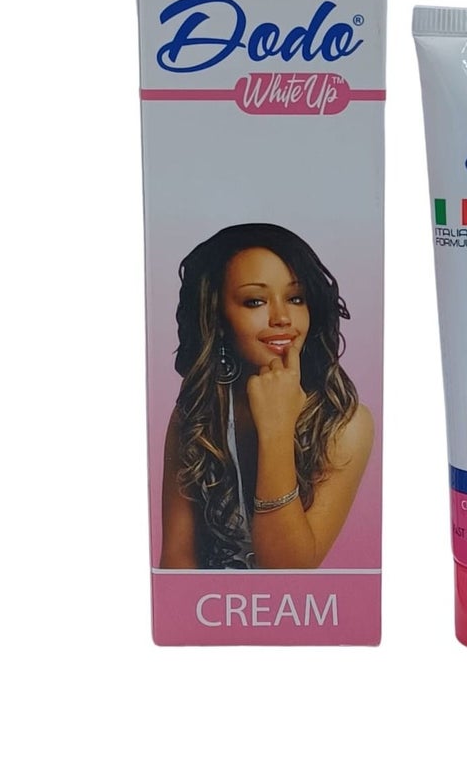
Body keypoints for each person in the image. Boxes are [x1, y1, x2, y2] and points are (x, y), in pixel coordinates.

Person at [160, 223, 373, 569]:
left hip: (291, 603)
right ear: (218, 316)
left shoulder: (346, 424)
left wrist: (276, 429)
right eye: (255, 301)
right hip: (207, 602)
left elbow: (288, 570)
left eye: (296, 298)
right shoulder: (199, 407)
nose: (282, 317)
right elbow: (176, 558)